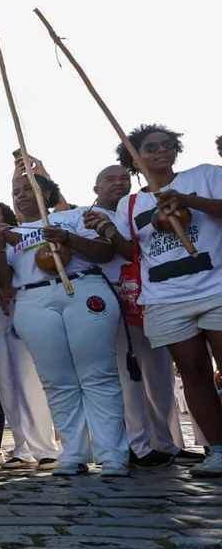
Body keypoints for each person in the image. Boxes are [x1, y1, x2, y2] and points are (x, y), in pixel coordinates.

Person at [84, 125, 222, 477]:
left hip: (215, 287)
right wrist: (108, 229)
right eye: (151, 146)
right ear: (135, 158)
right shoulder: (131, 203)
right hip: (165, 297)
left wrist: (187, 200)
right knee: (193, 372)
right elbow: (131, 251)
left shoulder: (205, 175)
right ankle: (218, 451)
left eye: (168, 144)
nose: (162, 150)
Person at [0, 170, 128, 476]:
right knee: (56, 380)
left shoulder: (74, 216)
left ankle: (113, 454)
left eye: (29, 188)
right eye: (16, 191)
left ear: (48, 193)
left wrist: (68, 239)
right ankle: (74, 452)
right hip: (32, 298)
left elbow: (105, 253)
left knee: (98, 374)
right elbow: (2, 283)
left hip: (82, 288)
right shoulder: (10, 233)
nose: (22, 194)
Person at [0, 202, 59, 470]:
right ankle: (21, 448)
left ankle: (44, 448)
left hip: (17, 311)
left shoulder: (18, 244)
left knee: (28, 380)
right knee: (5, 386)